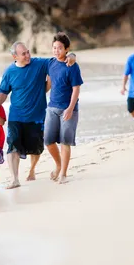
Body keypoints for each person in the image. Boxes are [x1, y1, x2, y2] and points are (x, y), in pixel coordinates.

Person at [0, 41, 76, 189]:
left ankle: (32, 169)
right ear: (15, 56)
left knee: (36, 148)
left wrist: (72, 55)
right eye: (23, 54)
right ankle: (14, 179)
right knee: (13, 145)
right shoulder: (9, 72)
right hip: (16, 116)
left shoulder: (39, 64)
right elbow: (3, 92)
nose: (27, 55)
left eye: (28, 52)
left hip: (37, 116)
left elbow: (58, 58)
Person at [44, 32, 84, 184]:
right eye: (54, 48)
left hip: (69, 109)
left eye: (59, 48)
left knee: (65, 142)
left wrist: (70, 108)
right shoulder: (51, 63)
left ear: (66, 49)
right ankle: (59, 165)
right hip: (52, 108)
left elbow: (76, 89)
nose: (56, 51)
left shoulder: (72, 66)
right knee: (48, 140)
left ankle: (63, 174)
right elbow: (49, 83)